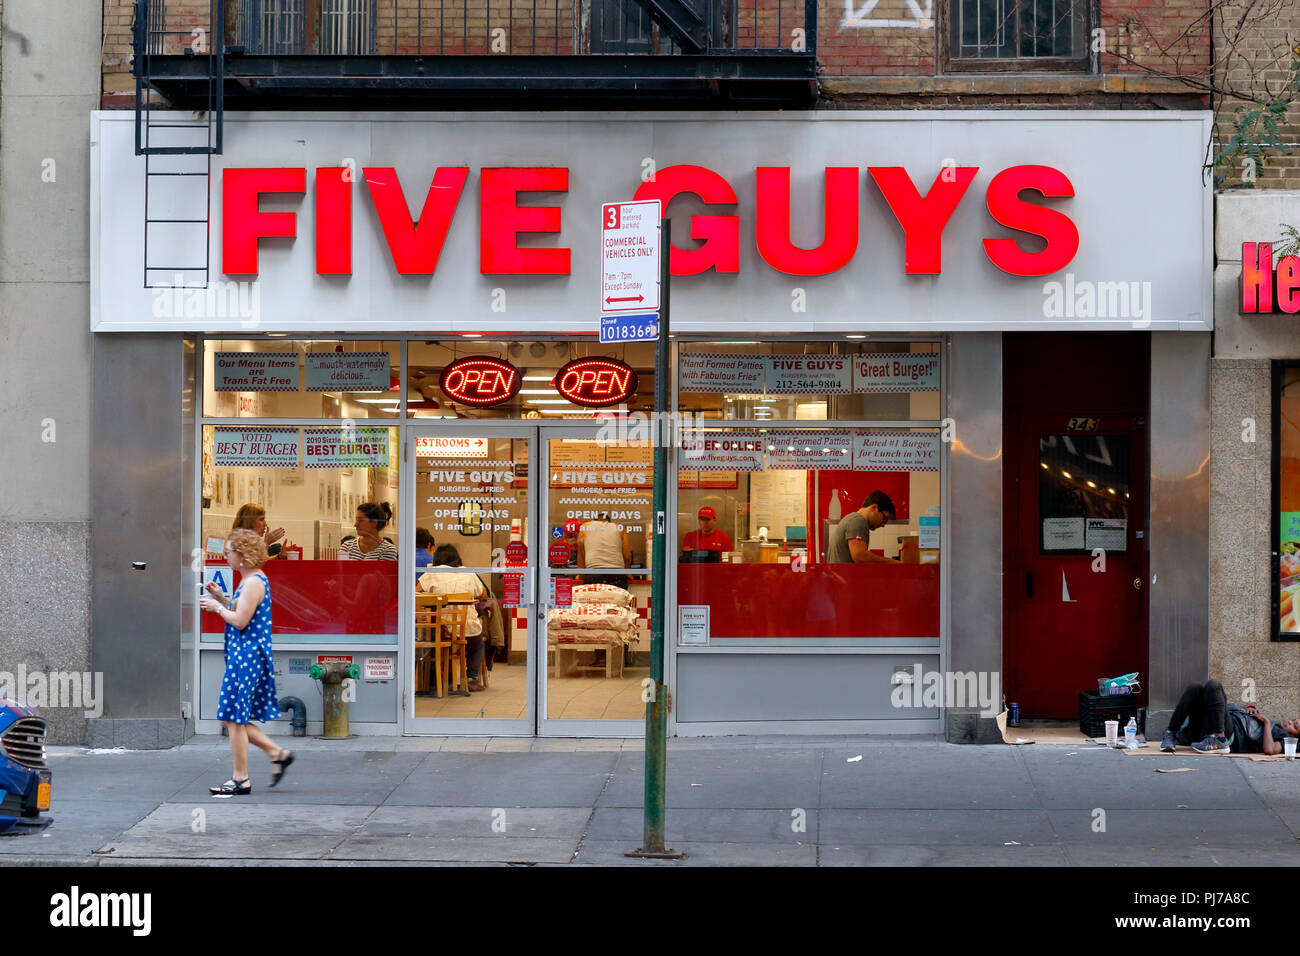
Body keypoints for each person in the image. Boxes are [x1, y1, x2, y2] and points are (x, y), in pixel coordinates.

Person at [199, 529, 294, 794]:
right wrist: (221, 599)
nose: (226, 556)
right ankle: (277, 754)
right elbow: (242, 611)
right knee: (230, 718)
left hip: (247, 656)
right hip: (246, 655)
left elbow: (240, 620)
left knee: (234, 718)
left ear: (243, 555)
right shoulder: (251, 580)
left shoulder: (253, 582)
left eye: (229, 552)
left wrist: (218, 609)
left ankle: (241, 778)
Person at [417, 544, 490, 692]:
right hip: (468, 632)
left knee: (430, 637)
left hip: (440, 631)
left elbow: (416, 593)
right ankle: (472, 677)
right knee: (478, 645)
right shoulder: (468, 573)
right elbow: (484, 594)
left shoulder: (431, 573)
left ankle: (436, 677)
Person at [1160, 679, 1300, 754]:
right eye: (1293, 720)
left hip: (1228, 737)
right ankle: (1171, 733)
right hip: (1202, 734)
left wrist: (1267, 723)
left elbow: (1269, 750)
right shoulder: (1271, 724)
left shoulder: (1283, 739)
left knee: (1214, 685)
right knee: (1195, 688)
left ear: (1295, 737)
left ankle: (1219, 740)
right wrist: (1246, 711)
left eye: (1295, 726)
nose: (1290, 722)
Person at [826, 490, 897, 564]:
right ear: (874, 508)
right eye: (884, 518)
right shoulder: (858, 520)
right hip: (842, 575)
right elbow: (859, 555)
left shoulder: (852, 519)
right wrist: (890, 562)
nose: (883, 525)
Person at [578, 512, 631, 592]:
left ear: (594, 520)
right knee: (616, 604)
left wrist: (580, 575)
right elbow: (627, 557)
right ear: (609, 522)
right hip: (617, 575)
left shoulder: (586, 527)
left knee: (595, 603)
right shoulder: (619, 528)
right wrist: (627, 572)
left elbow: (581, 554)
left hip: (593, 574)